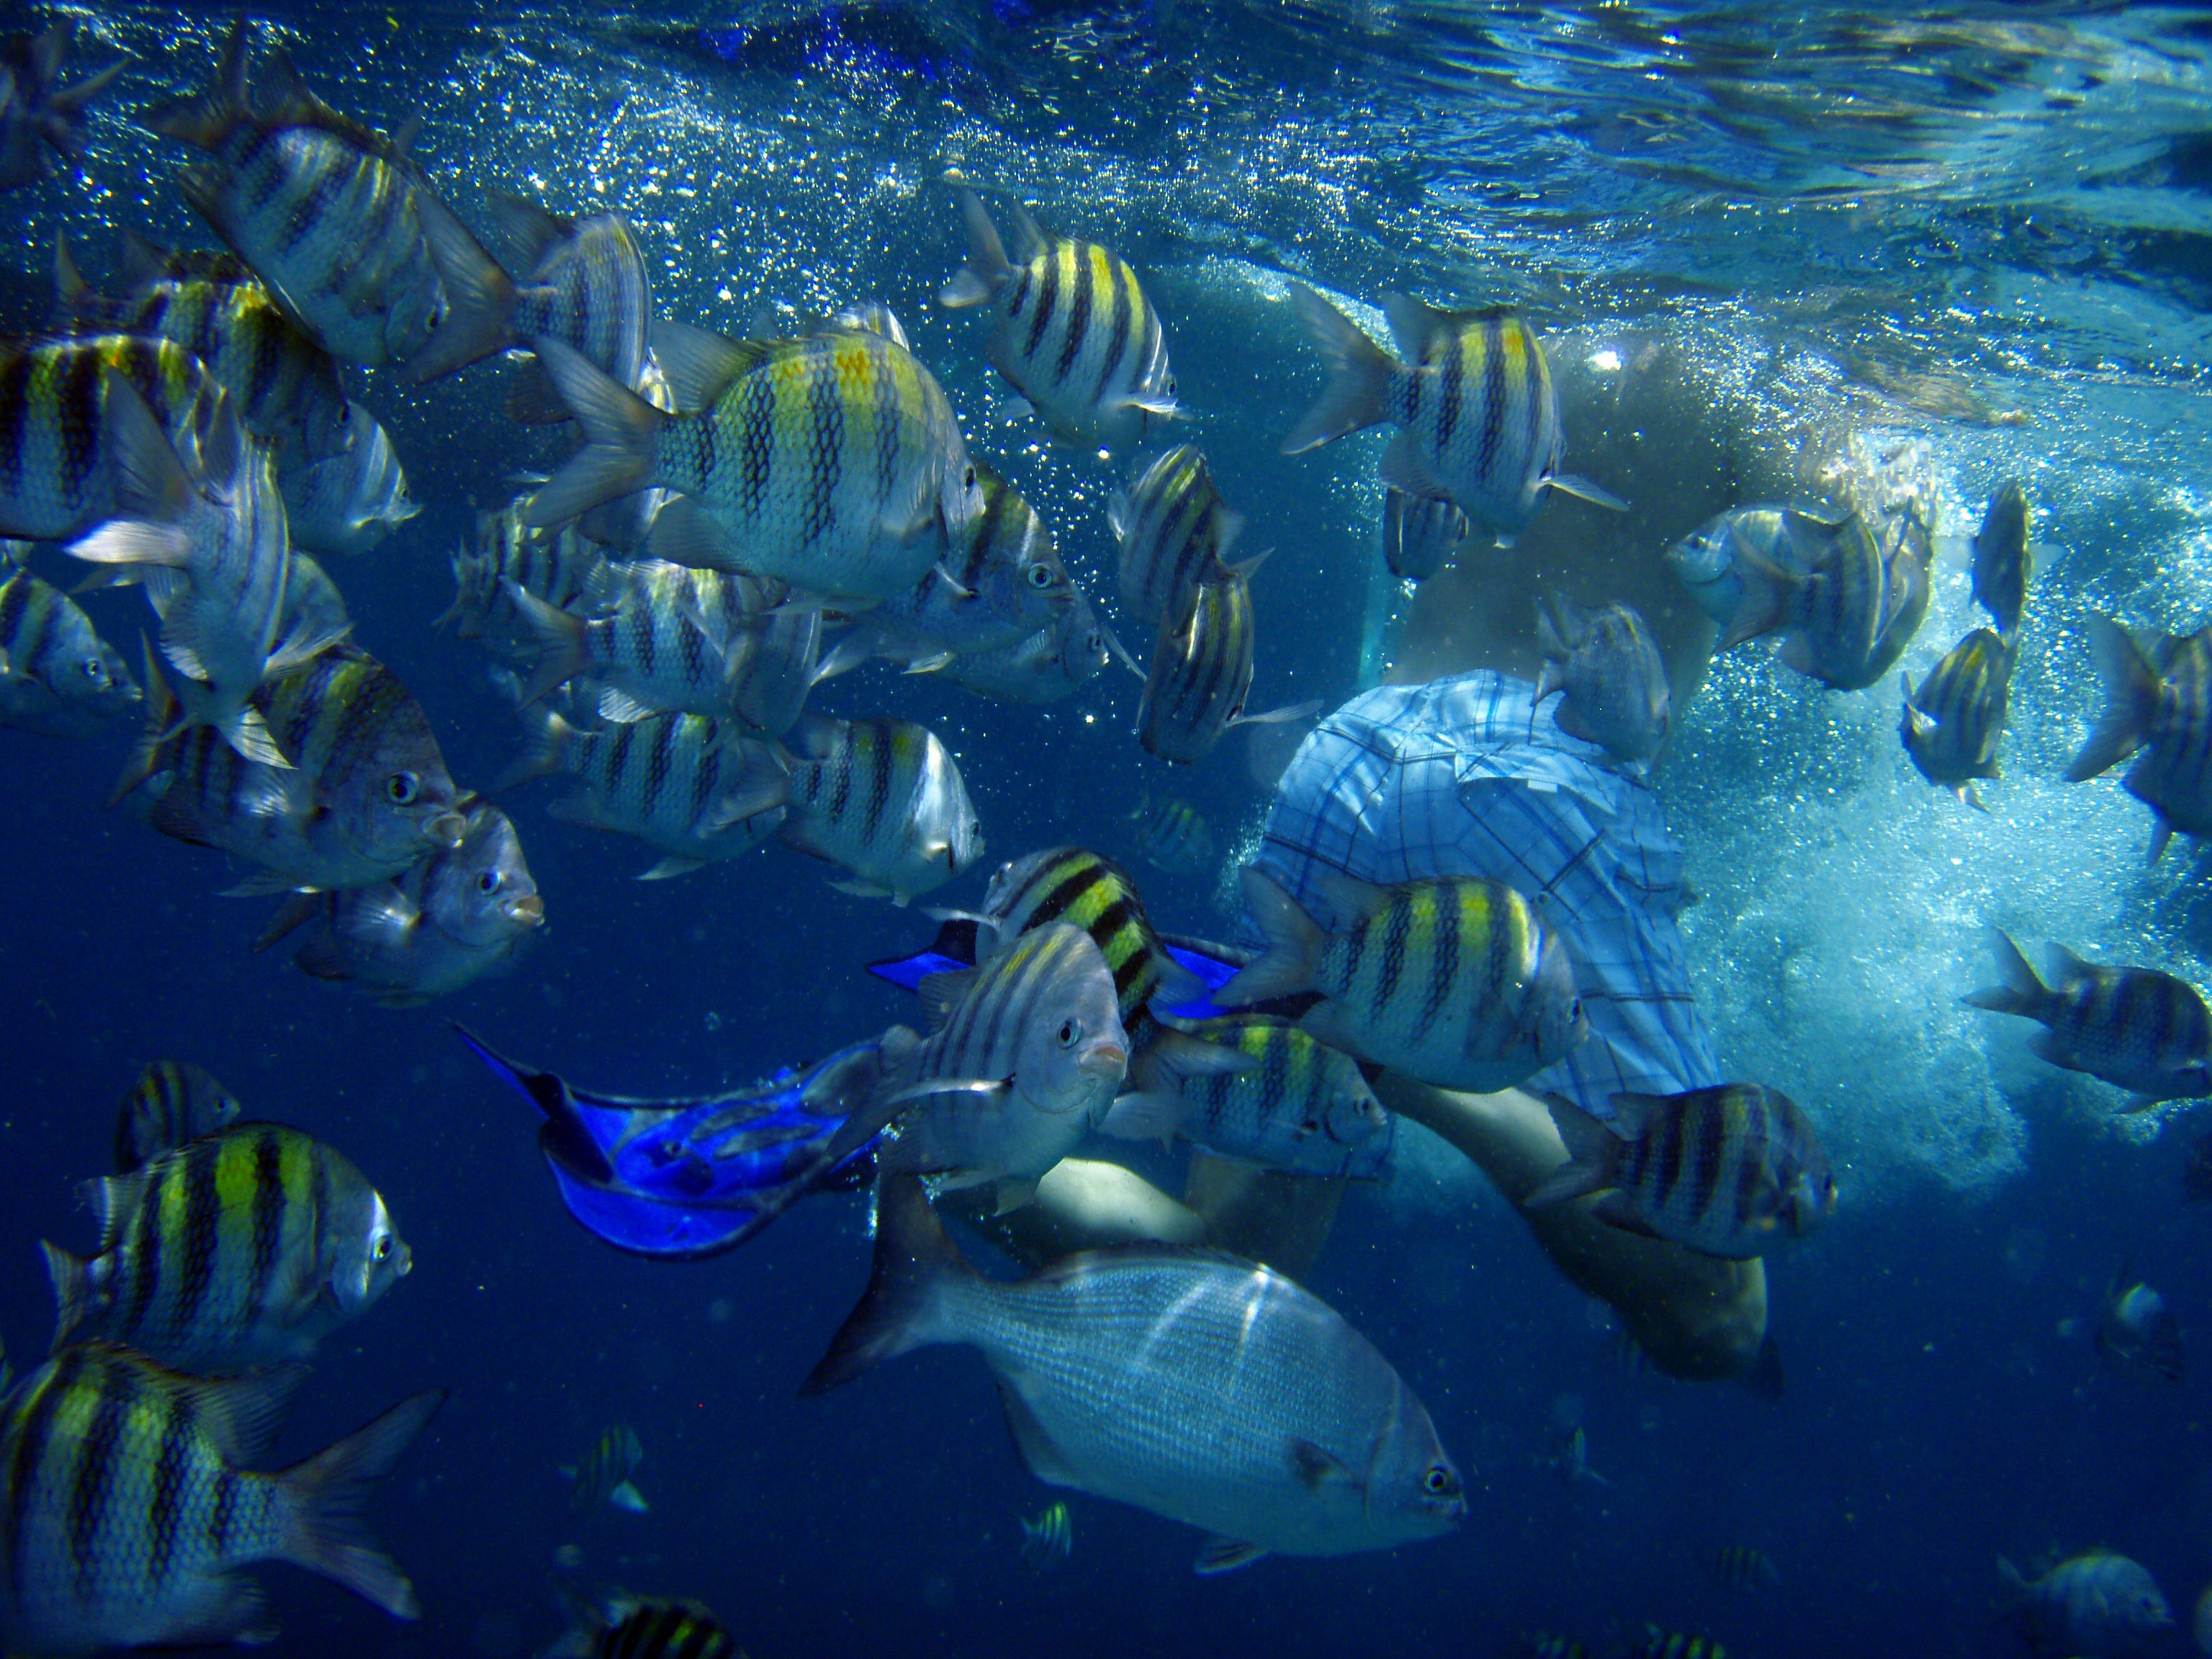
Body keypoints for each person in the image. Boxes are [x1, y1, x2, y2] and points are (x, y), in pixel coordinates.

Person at [958, 328, 1804, 1383]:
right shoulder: (1777, 350)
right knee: (1714, 1307)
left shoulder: (1504, 299)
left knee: (1238, 1250)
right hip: (1547, 782)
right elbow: (1846, 579)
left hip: (1362, 751)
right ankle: (1403, 1057)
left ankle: (936, 1128)